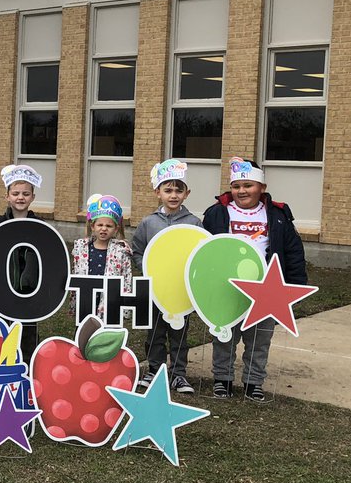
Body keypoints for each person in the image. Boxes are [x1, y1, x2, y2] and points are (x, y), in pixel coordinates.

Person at [202, 156, 307, 402]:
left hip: (265, 287)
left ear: (262, 188)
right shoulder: (216, 213)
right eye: (237, 186)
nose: (242, 191)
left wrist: (296, 284)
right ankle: (222, 379)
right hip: (225, 287)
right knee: (224, 335)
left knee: (260, 338)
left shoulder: (278, 215)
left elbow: (293, 252)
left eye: (248, 185)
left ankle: (254, 381)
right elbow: (203, 250)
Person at [130, 159, 204, 394]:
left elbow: (200, 254)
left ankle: (179, 374)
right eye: (168, 190)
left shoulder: (194, 223)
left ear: (187, 193)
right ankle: (155, 369)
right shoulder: (148, 222)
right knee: (155, 330)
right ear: (157, 192)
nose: (173, 195)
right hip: (155, 289)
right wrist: (147, 268)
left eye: (178, 190)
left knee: (180, 332)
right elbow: (138, 251)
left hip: (181, 290)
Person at [0, 164, 46, 364]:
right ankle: (5, 362)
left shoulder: (39, 225)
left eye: (25, 193)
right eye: (15, 193)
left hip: (30, 287)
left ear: (32, 197)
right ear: (7, 196)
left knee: (29, 326)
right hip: (5, 286)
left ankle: (29, 362)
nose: (20, 197)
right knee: (4, 326)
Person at [70, 194, 133, 322]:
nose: (104, 229)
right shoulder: (81, 249)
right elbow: (74, 275)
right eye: (100, 225)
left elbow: (127, 279)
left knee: (107, 337)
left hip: (110, 303)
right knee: (84, 335)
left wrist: (125, 308)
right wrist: (74, 303)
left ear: (116, 229)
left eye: (109, 226)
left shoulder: (121, 252)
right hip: (86, 303)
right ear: (93, 226)